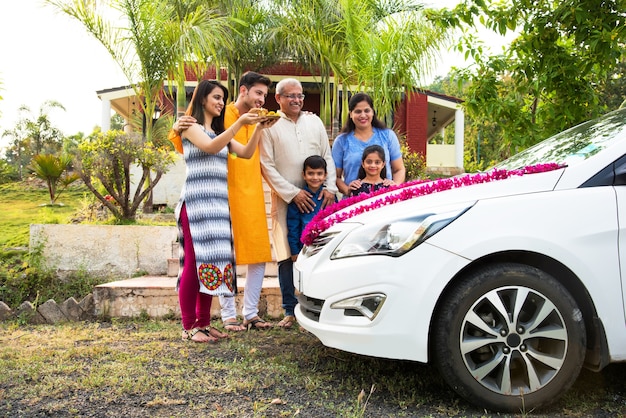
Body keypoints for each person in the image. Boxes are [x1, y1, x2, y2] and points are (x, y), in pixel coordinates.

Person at [171, 79, 277, 343]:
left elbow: (246, 152)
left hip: (218, 206)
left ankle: (204, 324)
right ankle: (189, 327)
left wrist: (259, 129)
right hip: (196, 204)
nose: (220, 103)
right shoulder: (191, 127)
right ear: (203, 98)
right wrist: (240, 123)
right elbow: (210, 147)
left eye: (223, 98)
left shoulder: (218, 131)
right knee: (194, 266)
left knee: (212, 264)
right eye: (217, 97)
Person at [259, 78, 338, 329]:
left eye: (300, 95)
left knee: (319, 251)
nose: (297, 100)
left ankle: (317, 308)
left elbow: (327, 156)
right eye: (290, 96)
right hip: (285, 200)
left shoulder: (313, 121)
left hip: (318, 199)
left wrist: (331, 187)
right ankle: (289, 310)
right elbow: (266, 165)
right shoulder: (270, 125)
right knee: (286, 254)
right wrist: (293, 193)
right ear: (278, 98)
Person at [331, 92, 406, 197]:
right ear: (351, 114)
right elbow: (335, 176)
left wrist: (394, 187)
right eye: (358, 111)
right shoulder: (341, 141)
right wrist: (348, 190)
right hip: (353, 203)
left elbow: (399, 169)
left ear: (373, 112)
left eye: (367, 110)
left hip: (384, 200)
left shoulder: (387, 136)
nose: (363, 115)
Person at [287, 155, 334, 261]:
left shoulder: (330, 197)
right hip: (305, 249)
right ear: (303, 175)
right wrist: (294, 251)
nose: (315, 177)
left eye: (319, 173)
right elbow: (293, 227)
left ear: (325, 175)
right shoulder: (299, 199)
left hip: (327, 246)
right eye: (310, 173)